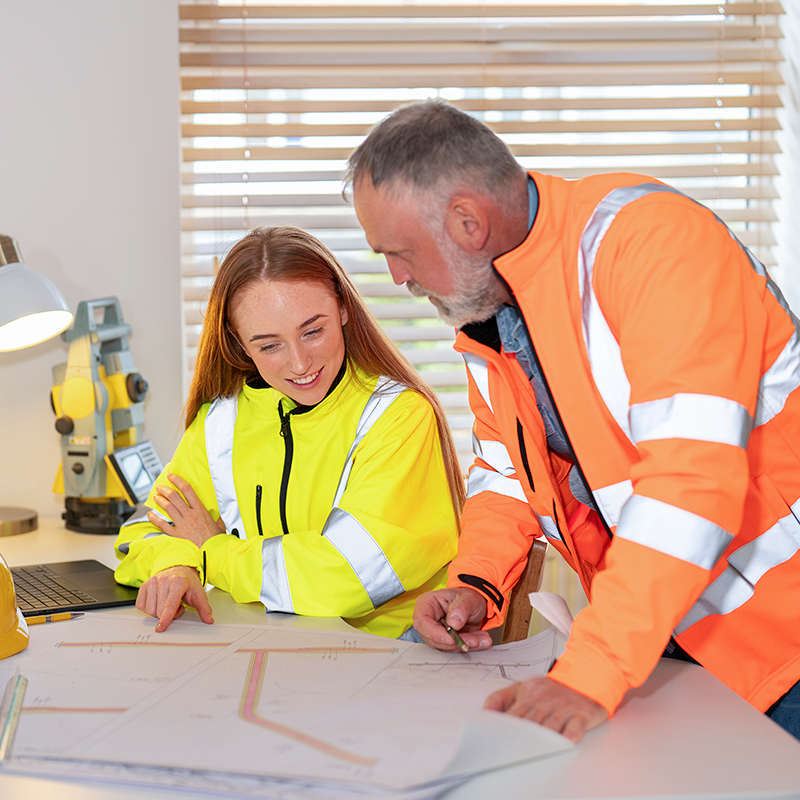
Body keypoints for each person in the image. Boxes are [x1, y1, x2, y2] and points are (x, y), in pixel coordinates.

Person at [346, 98, 800, 742]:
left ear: (468, 221)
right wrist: (476, 581)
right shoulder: (488, 315)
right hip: (671, 642)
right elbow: (506, 471)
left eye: (399, 253)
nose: (396, 278)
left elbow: (690, 483)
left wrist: (595, 667)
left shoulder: (652, 245)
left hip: (784, 636)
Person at [114, 225, 463, 640]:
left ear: (344, 309)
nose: (300, 364)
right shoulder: (220, 421)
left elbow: (346, 577)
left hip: (386, 652)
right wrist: (175, 563)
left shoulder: (398, 416)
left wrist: (212, 552)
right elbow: (144, 531)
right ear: (239, 344)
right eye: (269, 345)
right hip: (266, 643)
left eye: (313, 331)